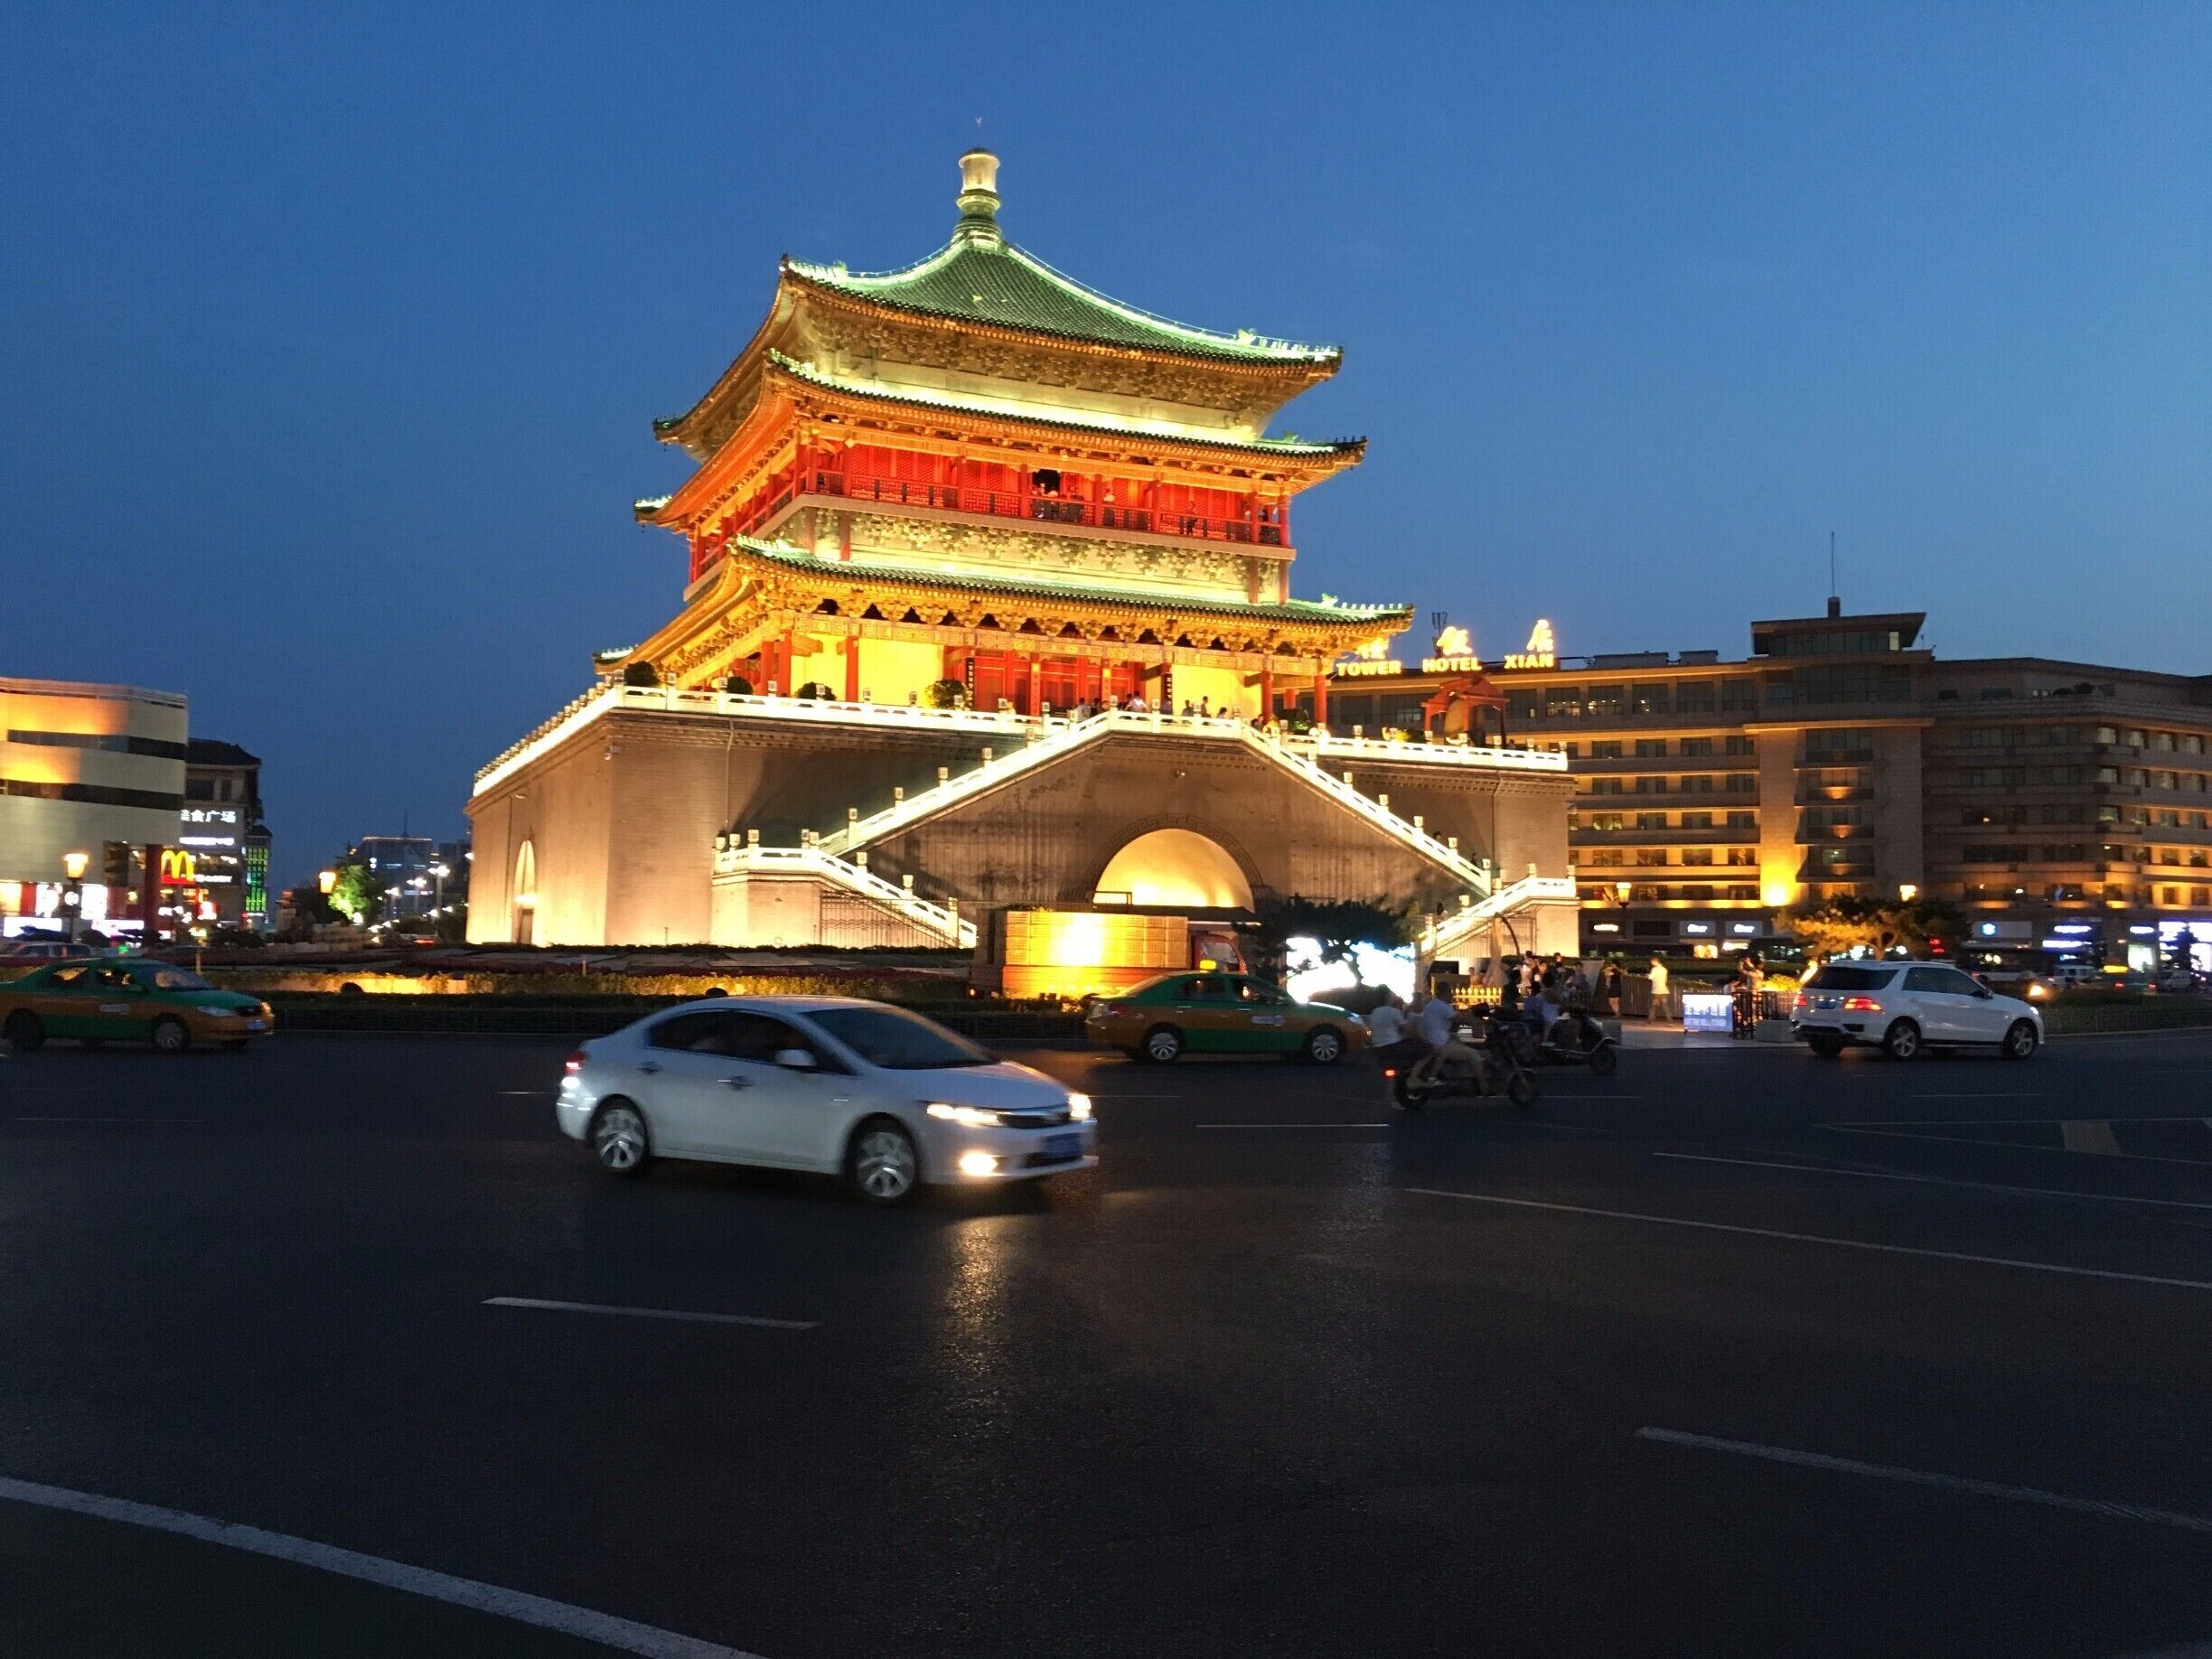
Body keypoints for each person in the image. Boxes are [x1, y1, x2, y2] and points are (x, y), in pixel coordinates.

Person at [1647, 953, 1671, 1022]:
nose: (1651, 963)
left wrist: (1648, 975)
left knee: (1654, 1006)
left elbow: (1650, 977)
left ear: (1655, 961)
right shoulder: (1664, 969)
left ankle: (1649, 1021)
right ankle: (1670, 1021)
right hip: (1664, 990)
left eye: (1652, 962)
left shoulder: (1654, 969)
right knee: (1665, 1006)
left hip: (1656, 990)